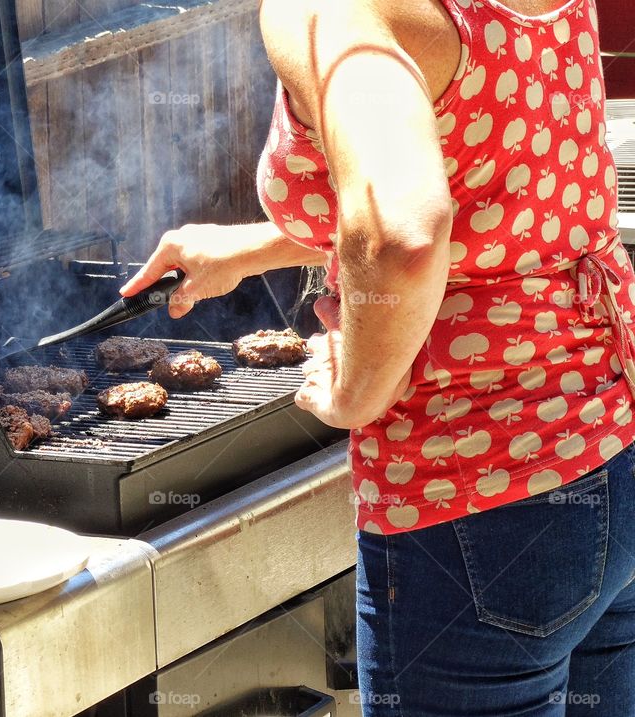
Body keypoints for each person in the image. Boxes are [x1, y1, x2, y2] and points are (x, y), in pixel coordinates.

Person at [120, 0, 635, 714]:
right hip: (610, 447)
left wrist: (356, 392)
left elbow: (403, 232)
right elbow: (495, 186)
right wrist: (249, 247)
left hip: (476, 502)